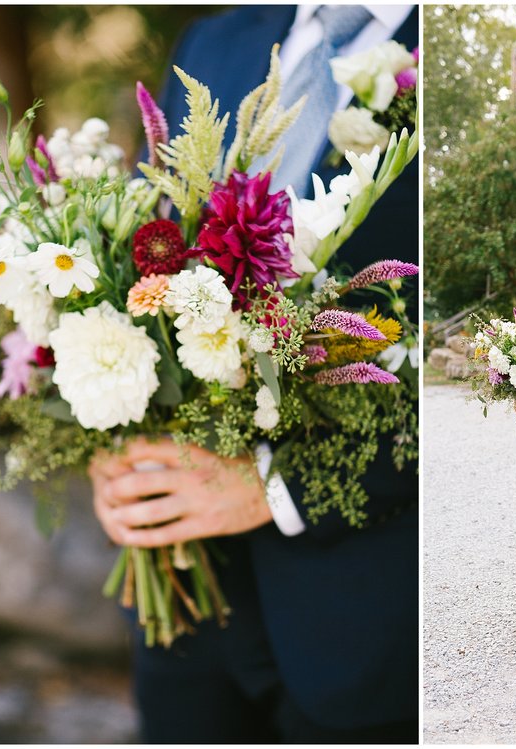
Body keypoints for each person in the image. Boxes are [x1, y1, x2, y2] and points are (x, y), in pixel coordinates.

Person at [88, 5, 419, 743]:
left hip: (367, 638)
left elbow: (466, 375)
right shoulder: (213, 42)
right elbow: (146, 272)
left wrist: (274, 485)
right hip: (183, 611)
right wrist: (114, 434)